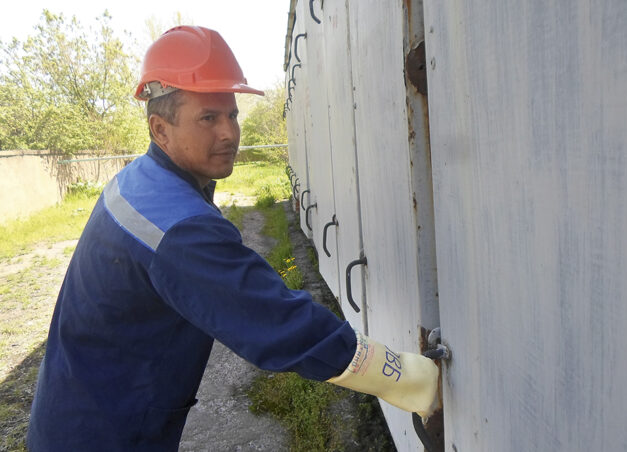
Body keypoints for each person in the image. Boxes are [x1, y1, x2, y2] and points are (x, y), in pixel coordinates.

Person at [27, 25, 439, 451]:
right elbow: (278, 322)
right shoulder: (180, 227)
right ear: (160, 129)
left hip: (80, 410)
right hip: (101, 434)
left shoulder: (141, 180)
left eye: (232, 114)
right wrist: (408, 379)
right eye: (208, 118)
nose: (228, 132)